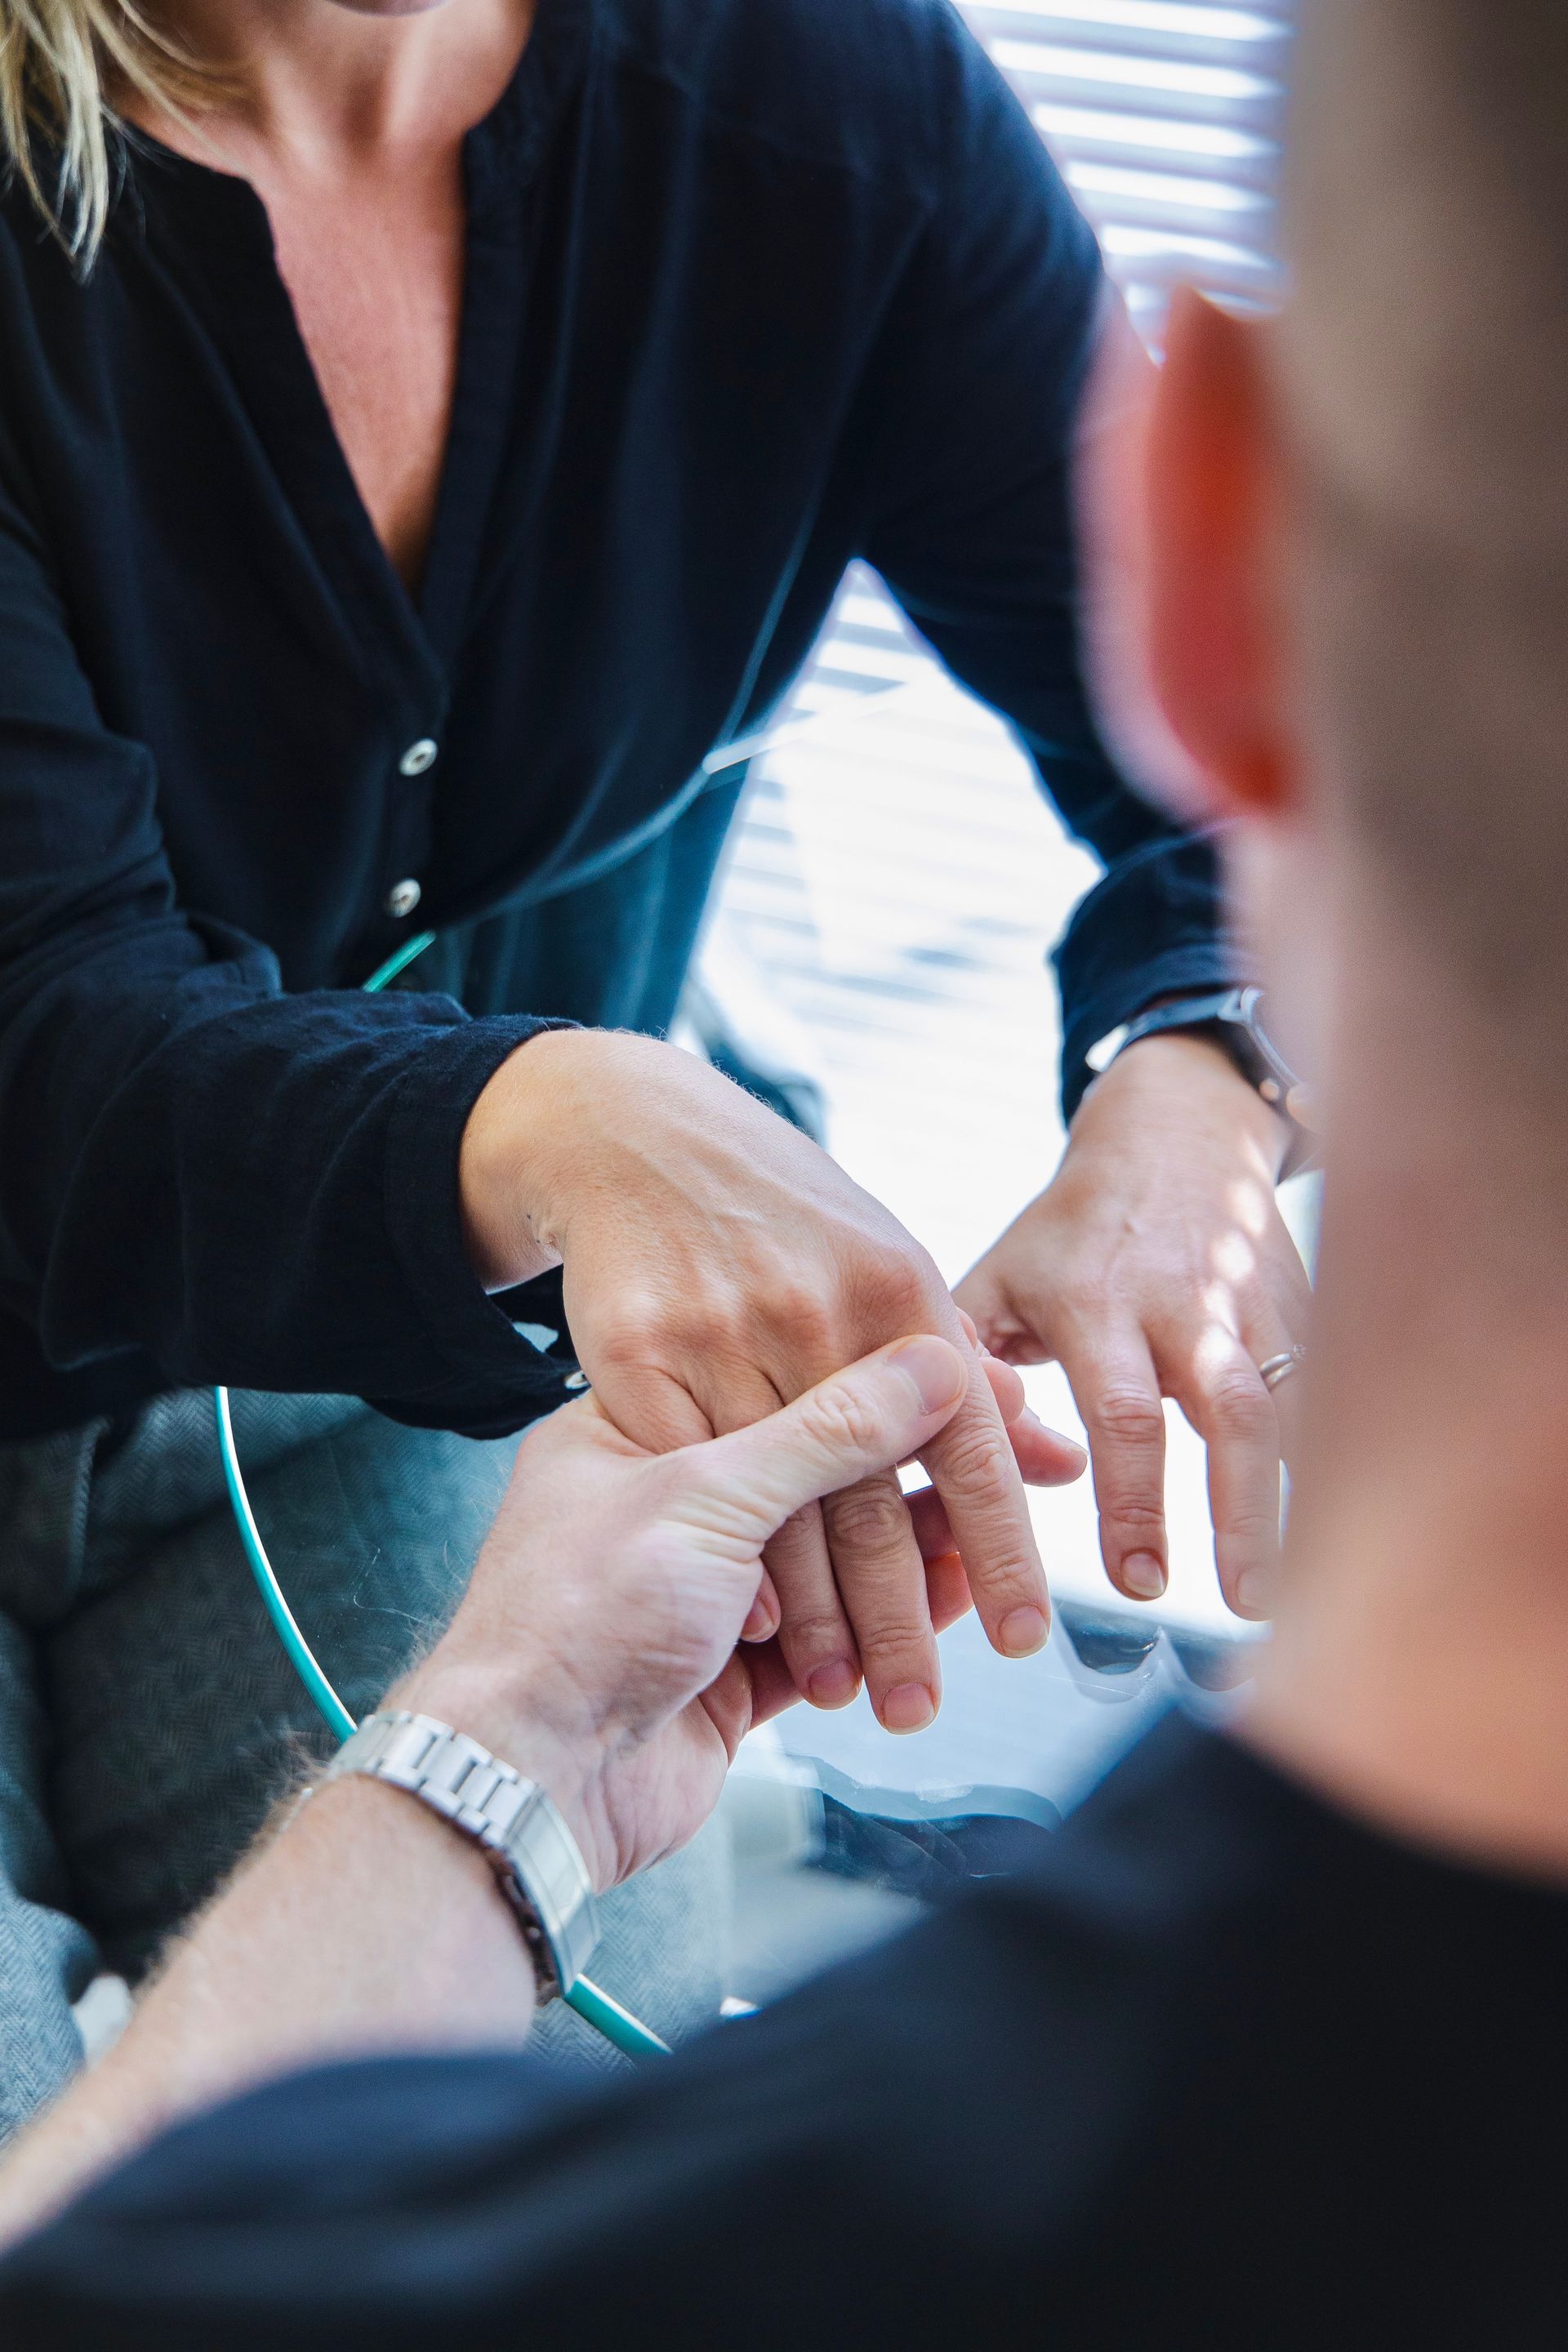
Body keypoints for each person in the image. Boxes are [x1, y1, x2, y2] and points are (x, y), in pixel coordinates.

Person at [2, 3, 1566, 2335]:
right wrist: (539, 1112)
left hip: (374, 1386)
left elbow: (1242, 782)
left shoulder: (831, 103)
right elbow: (46, 1034)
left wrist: (1189, 1069)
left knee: (583, 2015)